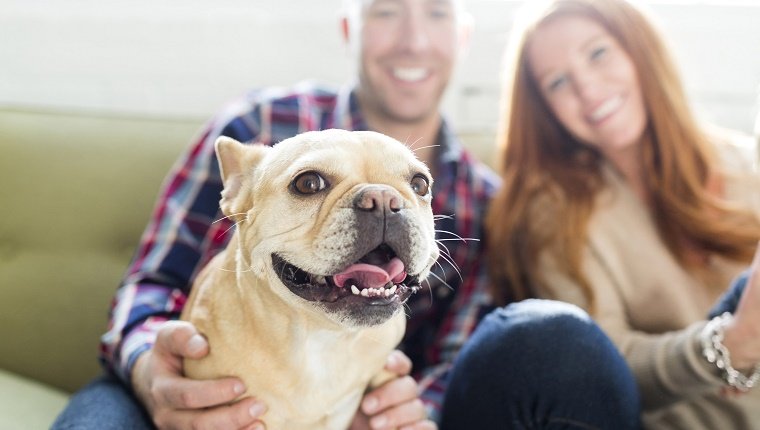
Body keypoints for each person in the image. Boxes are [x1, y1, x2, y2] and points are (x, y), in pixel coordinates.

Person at [53, 0, 642, 429]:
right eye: (386, 12)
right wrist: (152, 370)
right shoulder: (256, 127)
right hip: (195, 388)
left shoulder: (486, 200)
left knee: (556, 341)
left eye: (436, 13)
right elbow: (150, 282)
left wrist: (403, 410)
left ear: (462, 37)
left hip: (356, 405)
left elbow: (462, 357)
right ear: (349, 27)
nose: (413, 39)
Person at [484, 0, 760, 428]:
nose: (588, 90)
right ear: (544, 109)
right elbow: (598, 367)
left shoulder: (747, 164)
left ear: (638, 49)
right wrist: (729, 346)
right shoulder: (554, 215)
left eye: (598, 54)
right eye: (558, 82)